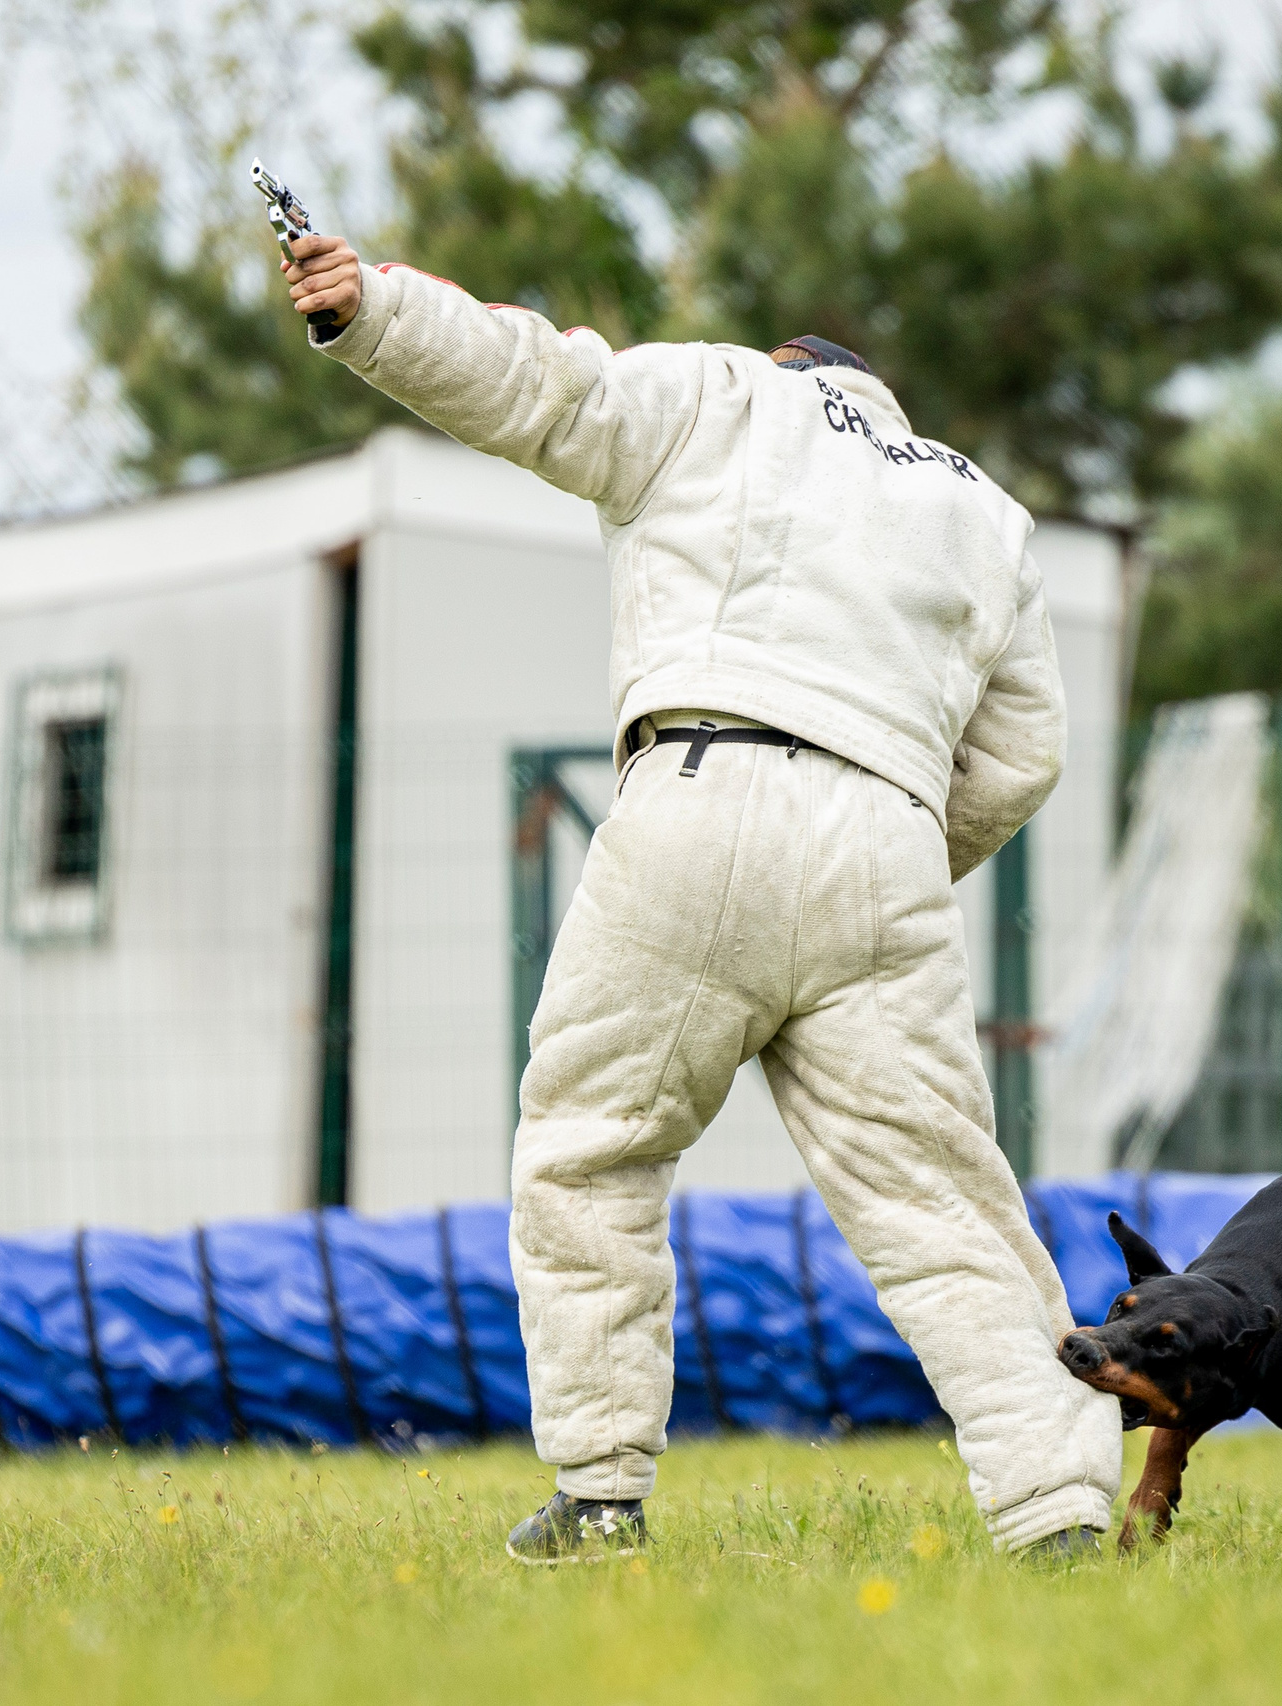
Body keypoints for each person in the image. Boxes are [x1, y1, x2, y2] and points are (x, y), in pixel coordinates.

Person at [278, 234, 1120, 1562]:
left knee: (590, 1148)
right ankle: (1058, 1506)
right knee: (945, 1202)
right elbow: (1024, 756)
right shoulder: (982, 511)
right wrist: (901, 857)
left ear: (792, 366)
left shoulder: (724, 395)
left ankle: (601, 1492)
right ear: (880, 399)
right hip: (888, 840)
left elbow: (534, 381)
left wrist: (372, 311)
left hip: (699, 787)